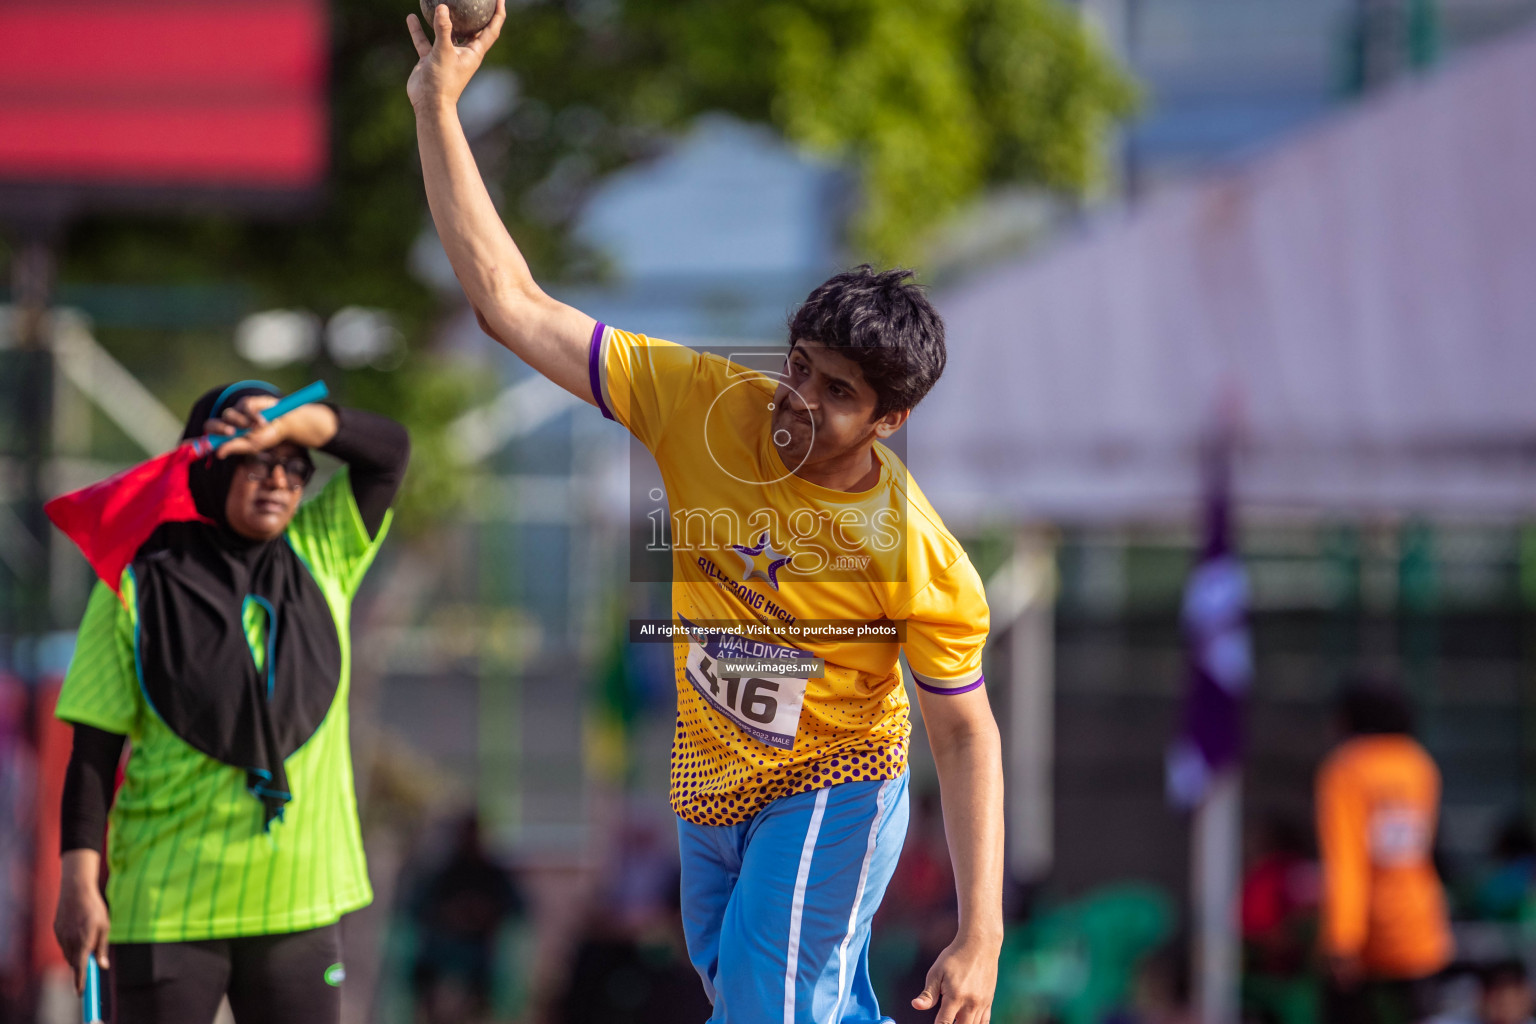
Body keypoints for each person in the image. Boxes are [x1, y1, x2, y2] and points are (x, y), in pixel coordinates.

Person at [404, 6, 1006, 1023]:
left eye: (839, 393)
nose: (800, 401)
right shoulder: (700, 402)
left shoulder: (914, 551)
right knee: (785, 1005)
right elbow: (510, 302)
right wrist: (437, 108)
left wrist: (979, 932)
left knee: (766, 1012)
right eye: (799, 368)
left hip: (836, 782)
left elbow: (966, 734)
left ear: (890, 419)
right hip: (709, 787)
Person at [51, 384, 409, 1024]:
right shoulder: (137, 578)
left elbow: (388, 453)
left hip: (300, 900)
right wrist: (78, 884)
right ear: (208, 461)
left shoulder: (323, 550)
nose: (279, 479)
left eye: (295, 465)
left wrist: (295, 423)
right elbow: (92, 751)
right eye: (256, 460)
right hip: (168, 902)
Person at [1317, 677, 1453, 1024]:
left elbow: (1346, 862)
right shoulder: (1418, 764)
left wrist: (1342, 940)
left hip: (1369, 938)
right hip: (1420, 926)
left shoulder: (1347, 768)